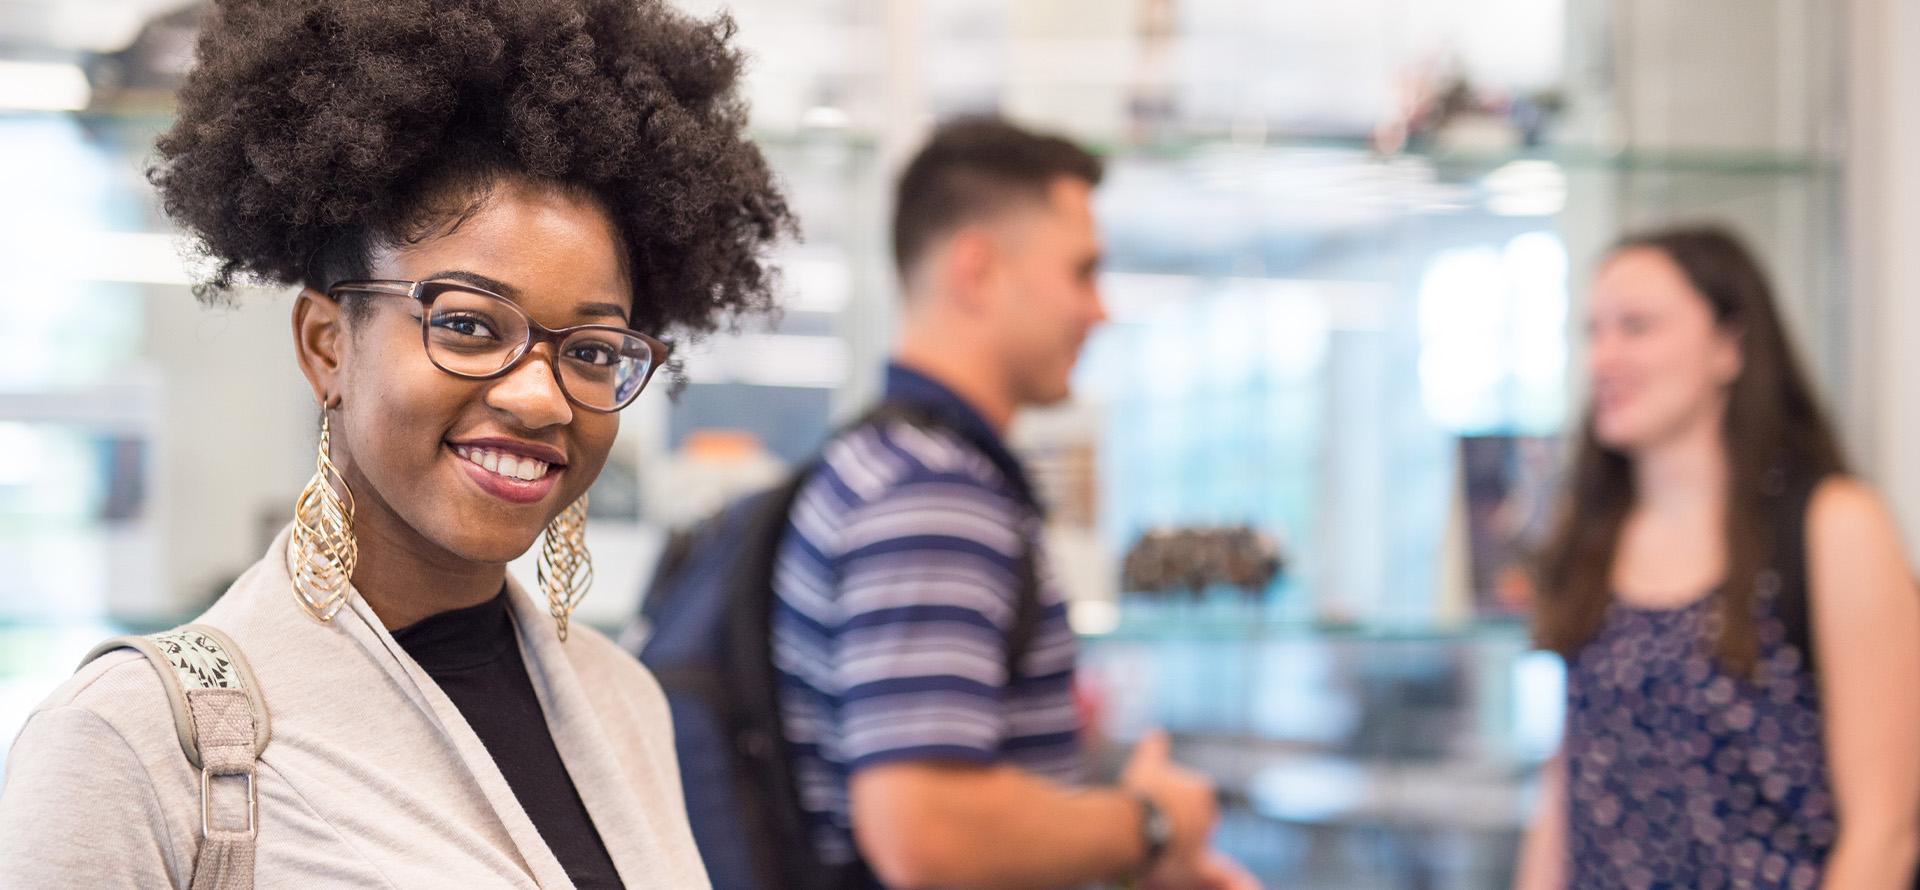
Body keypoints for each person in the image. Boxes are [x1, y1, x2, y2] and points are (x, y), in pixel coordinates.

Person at [0, 0, 790, 886]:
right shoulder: (137, 742)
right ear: (327, 345)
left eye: (594, 350)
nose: (539, 398)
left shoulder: (625, 703)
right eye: (467, 325)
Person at [768, 118, 1255, 890]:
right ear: (980, 271)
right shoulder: (932, 492)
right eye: (1082, 273)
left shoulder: (891, 464)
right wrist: (1151, 824)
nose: (1101, 310)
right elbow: (926, 832)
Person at [1514, 226, 1920, 888]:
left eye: (1637, 327)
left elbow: (1885, 833)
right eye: (1593, 332)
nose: (1603, 357)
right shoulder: (1591, 537)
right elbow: (1566, 793)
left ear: (1730, 345)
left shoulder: (1835, 526)